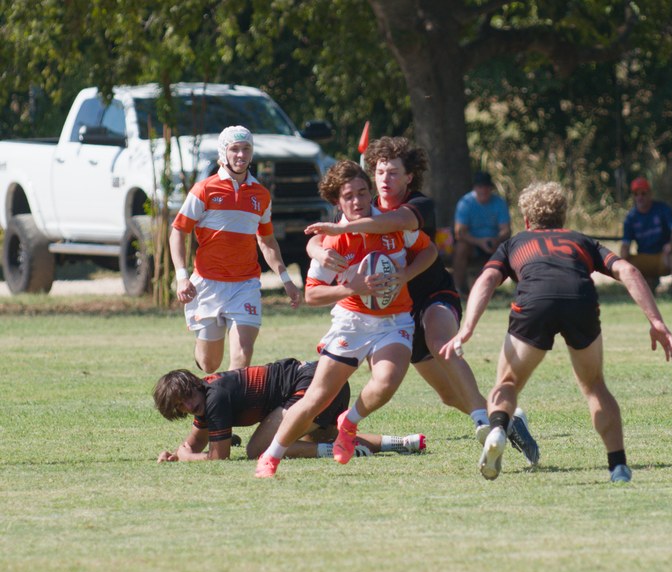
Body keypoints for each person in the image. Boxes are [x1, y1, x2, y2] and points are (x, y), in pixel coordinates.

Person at [304, 137, 540, 466]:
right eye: (380, 172)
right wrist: (317, 249)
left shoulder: (418, 205)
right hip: (393, 313)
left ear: (409, 176)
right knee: (447, 394)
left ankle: (483, 424)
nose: (385, 180)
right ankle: (509, 418)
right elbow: (322, 235)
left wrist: (401, 273)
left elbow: (394, 224)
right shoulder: (363, 202)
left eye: (394, 173)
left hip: (432, 294)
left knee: (440, 340)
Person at [441, 181, 672, 483]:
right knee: (594, 386)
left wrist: (467, 329)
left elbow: (486, 279)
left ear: (526, 219)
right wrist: (656, 321)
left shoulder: (514, 243)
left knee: (508, 382)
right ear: (563, 216)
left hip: (534, 304)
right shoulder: (580, 240)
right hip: (579, 301)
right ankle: (618, 466)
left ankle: (498, 428)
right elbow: (628, 270)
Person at [254, 160, 439, 478]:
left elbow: (430, 251)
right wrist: (349, 288)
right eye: (349, 196)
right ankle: (271, 456)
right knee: (316, 397)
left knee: (386, 383)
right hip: (351, 322)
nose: (358, 201)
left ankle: (348, 422)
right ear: (337, 203)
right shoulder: (333, 243)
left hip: (394, 319)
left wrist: (404, 275)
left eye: (363, 192)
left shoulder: (390, 223)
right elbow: (311, 295)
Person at [169, 125, 301, 374]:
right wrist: (181, 277)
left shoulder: (261, 195)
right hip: (207, 285)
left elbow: (267, 241)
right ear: (223, 153)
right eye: (235, 149)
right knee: (210, 364)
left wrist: (286, 279)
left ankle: (229, 409)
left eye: (246, 149)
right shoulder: (204, 190)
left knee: (242, 355)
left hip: (245, 285)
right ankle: (202, 345)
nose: (241, 155)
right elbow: (178, 231)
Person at [153, 358, 426, 462]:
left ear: (194, 384)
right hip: (325, 379)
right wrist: (177, 454)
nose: (188, 406)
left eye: (187, 396)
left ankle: (336, 452)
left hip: (312, 386)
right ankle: (401, 443)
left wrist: (187, 458)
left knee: (258, 450)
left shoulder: (215, 397)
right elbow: (192, 443)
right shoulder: (206, 397)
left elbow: (218, 457)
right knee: (314, 438)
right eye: (180, 406)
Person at [619, 176, 672, 295]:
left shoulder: (662, 209)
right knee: (624, 260)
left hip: (663, 257)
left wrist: (671, 244)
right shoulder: (631, 218)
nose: (640, 197)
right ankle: (638, 289)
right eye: (636, 194)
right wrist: (622, 258)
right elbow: (626, 243)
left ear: (650, 194)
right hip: (644, 257)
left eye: (643, 193)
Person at [452, 171, 511, 296]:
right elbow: (460, 232)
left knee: (511, 248)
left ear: (490, 188)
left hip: (494, 243)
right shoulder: (465, 203)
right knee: (461, 247)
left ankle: (516, 289)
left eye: (486, 187)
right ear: (475, 188)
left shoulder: (499, 202)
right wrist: (479, 242)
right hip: (472, 243)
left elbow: (506, 230)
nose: (483, 190)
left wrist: (497, 239)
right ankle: (456, 289)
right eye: (480, 187)